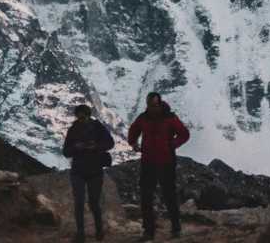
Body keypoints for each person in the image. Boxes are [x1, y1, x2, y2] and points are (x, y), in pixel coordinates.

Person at [127, 93, 188, 240]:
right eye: (149, 105)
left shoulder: (170, 118)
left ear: (160, 104)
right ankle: (148, 231)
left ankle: (175, 228)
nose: (151, 108)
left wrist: (172, 144)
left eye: (154, 105)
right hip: (148, 162)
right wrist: (133, 143)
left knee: (169, 195)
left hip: (166, 161)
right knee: (146, 197)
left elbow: (184, 134)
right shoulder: (143, 118)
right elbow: (133, 131)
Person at [62, 104, 115, 242]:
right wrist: (76, 147)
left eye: (83, 117)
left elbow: (110, 143)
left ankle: (99, 231)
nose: (81, 119)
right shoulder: (73, 130)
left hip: (94, 170)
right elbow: (66, 152)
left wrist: (96, 146)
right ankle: (81, 234)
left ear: (88, 115)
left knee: (93, 202)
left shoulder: (98, 127)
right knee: (79, 202)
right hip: (78, 171)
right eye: (79, 117)